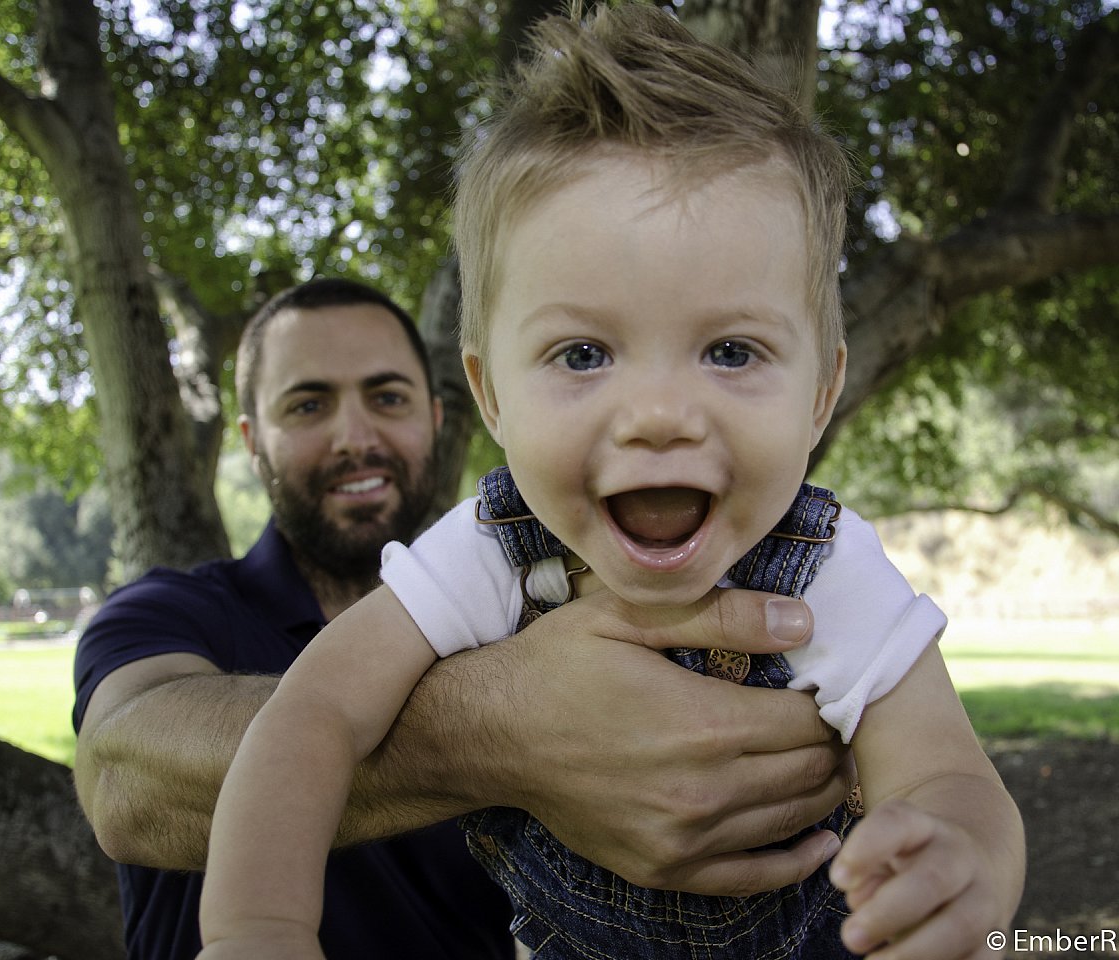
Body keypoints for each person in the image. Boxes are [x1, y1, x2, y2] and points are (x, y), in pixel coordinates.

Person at [197, 6, 1024, 960]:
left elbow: (951, 777)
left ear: (822, 391)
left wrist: (957, 857)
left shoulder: (830, 570)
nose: (660, 414)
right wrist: (256, 929)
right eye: (584, 353)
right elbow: (312, 716)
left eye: (731, 350)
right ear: (492, 394)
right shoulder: (486, 551)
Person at [72, 277, 859, 960]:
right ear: (253, 441)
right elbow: (122, 778)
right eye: (308, 404)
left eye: (387, 397)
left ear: (442, 416)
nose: (356, 436)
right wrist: (505, 731)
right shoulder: (165, 609)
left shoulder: (536, 590)